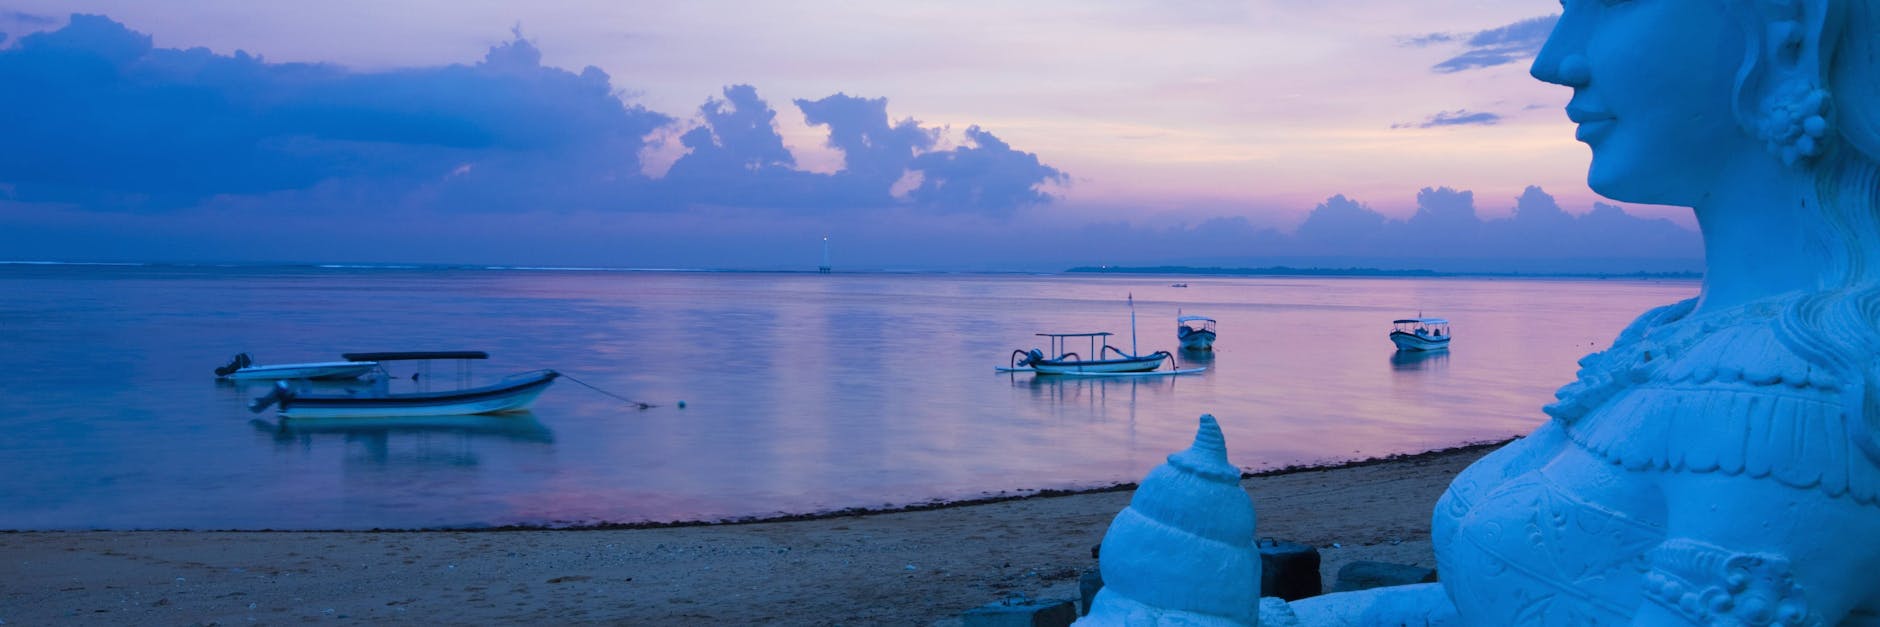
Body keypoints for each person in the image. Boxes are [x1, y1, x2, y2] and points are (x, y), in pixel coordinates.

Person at [1431, 1, 1880, 623]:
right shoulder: (1671, 334)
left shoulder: (1802, 396)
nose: (1551, 63)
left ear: (1791, 36)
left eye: (1609, 6)